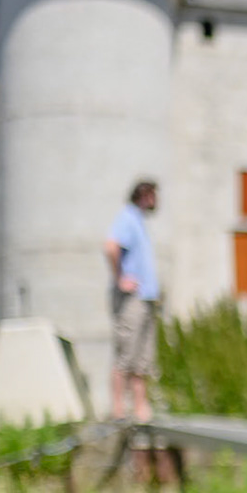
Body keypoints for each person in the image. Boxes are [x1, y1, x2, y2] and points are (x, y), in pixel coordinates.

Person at [104, 180, 161, 423]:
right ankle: (118, 409)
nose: (157, 200)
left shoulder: (138, 221)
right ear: (144, 195)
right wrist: (120, 278)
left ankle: (140, 409)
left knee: (142, 359)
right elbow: (110, 246)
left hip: (146, 298)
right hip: (132, 299)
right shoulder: (127, 217)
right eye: (154, 195)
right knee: (126, 355)